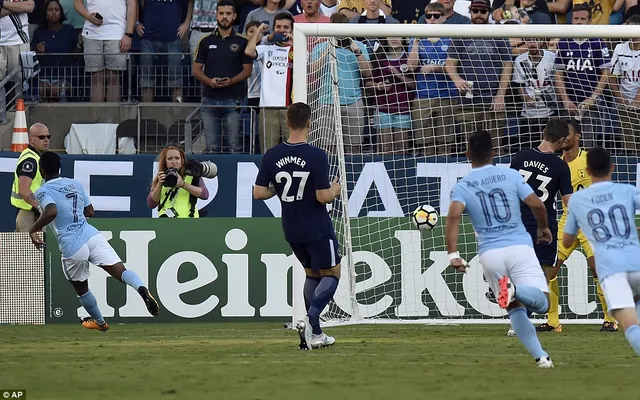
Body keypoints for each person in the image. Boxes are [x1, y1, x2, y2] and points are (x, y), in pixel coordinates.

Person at [446, 130, 554, 368]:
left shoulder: (462, 186)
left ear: (467, 154)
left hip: (490, 254)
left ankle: (541, 357)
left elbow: (453, 217)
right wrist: (543, 228)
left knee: (513, 307)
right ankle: (516, 290)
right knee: (543, 303)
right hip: (519, 246)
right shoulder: (510, 176)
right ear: (494, 153)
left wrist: (453, 254)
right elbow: (537, 205)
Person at [29, 151, 159, 332]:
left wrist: (33, 229)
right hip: (91, 235)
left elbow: (51, 211)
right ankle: (142, 289)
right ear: (60, 167)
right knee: (122, 271)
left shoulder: (42, 190)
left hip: (72, 243)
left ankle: (100, 322)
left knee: (82, 289)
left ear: (42, 171)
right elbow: (90, 211)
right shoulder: (74, 183)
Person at [253, 102, 341, 350]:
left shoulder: (272, 155)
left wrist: (278, 188)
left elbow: (258, 193)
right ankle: (312, 319)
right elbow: (323, 197)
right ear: (309, 123)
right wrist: (334, 190)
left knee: (312, 274)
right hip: (316, 225)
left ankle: (317, 334)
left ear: (288, 123)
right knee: (332, 273)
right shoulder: (316, 155)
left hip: (291, 227)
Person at [540, 119, 617, 333]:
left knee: (597, 269)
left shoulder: (590, 159)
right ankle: (553, 321)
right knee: (549, 270)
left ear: (578, 136)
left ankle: (610, 319)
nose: (564, 138)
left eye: (568, 134)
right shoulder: (557, 164)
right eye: (562, 135)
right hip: (568, 222)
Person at [562, 147, 640, 356]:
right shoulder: (627, 190)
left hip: (610, 269)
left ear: (587, 171)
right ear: (612, 167)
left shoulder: (578, 200)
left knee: (630, 325)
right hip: (636, 262)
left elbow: (568, 241)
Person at [507, 118, 572, 336]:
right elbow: (568, 202)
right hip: (544, 227)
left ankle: (516, 318)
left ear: (543, 133)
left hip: (517, 224)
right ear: (562, 140)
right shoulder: (561, 166)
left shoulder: (520, 157)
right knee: (542, 275)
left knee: (518, 272)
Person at [193, 0, 252, 154]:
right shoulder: (205, 41)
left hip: (233, 100)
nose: (224, 17)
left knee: (235, 147)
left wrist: (231, 81)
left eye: (228, 14)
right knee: (212, 148)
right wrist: (209, 82)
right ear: (216, 15)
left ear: (234, 16)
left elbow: (247, 71)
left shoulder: (242, 41)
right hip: (209, 99)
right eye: (221, 13)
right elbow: (196, 69)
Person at [148, 145, 209, 218]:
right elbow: (151, 204)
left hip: (189, 221)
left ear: (182, 160)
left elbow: (205, 195)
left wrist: (183, 185)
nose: (174, 162)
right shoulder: (161, 178)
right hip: (166, 222)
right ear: (165, 161)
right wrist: (159, 184)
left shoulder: (191, 176)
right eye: (170, 159)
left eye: (177, 158)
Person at [11, 123, 50, 232]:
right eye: (41, 137)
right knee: (30, 248)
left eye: (48, 136)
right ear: (31, 139)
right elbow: (23, 189)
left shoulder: (34, 157)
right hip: (29, 215)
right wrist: (39, 207)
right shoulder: (30, 161)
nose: (46, 140)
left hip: (32, 214)